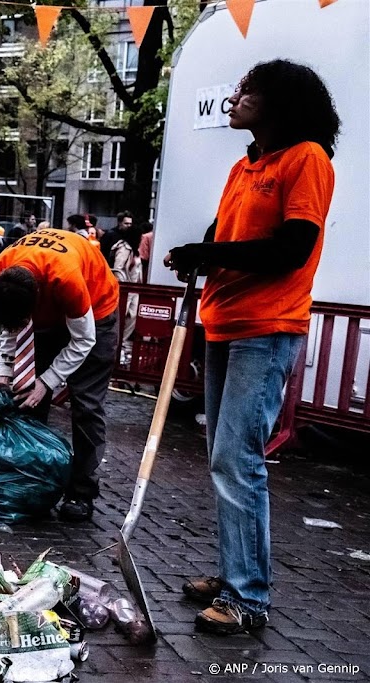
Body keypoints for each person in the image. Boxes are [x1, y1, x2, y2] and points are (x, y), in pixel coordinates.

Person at [165, 60, 339, 636]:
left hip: (266, 326)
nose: (235, 96)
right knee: (225, 455)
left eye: (248, 90)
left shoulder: (306, 158)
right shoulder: (246, 166)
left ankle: (248, 596)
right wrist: (197, 254)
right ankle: (237, 571)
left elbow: (292, 248)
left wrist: (210, 252)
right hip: (224, 320)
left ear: (279, 102)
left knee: (237, 459)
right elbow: (225, 239)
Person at [0, 227, 120, 522]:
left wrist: (47, 382)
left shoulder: (65, 279)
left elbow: (84, 340)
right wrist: (5, 372)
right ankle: (34, 483)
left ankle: (81, 492)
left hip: (96, 312)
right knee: (27, 398)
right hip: (49, 315)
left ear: (38, 297)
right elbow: (10, 327)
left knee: (86, 405)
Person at [109, 221, 143, 360]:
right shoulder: (124, 248)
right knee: (122, 316)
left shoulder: (134, 249)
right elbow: (118, 268)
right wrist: (121, 286)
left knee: (133, 315)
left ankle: (123, 342)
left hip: (135, 287)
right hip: (125, 287)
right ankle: (118, 345)